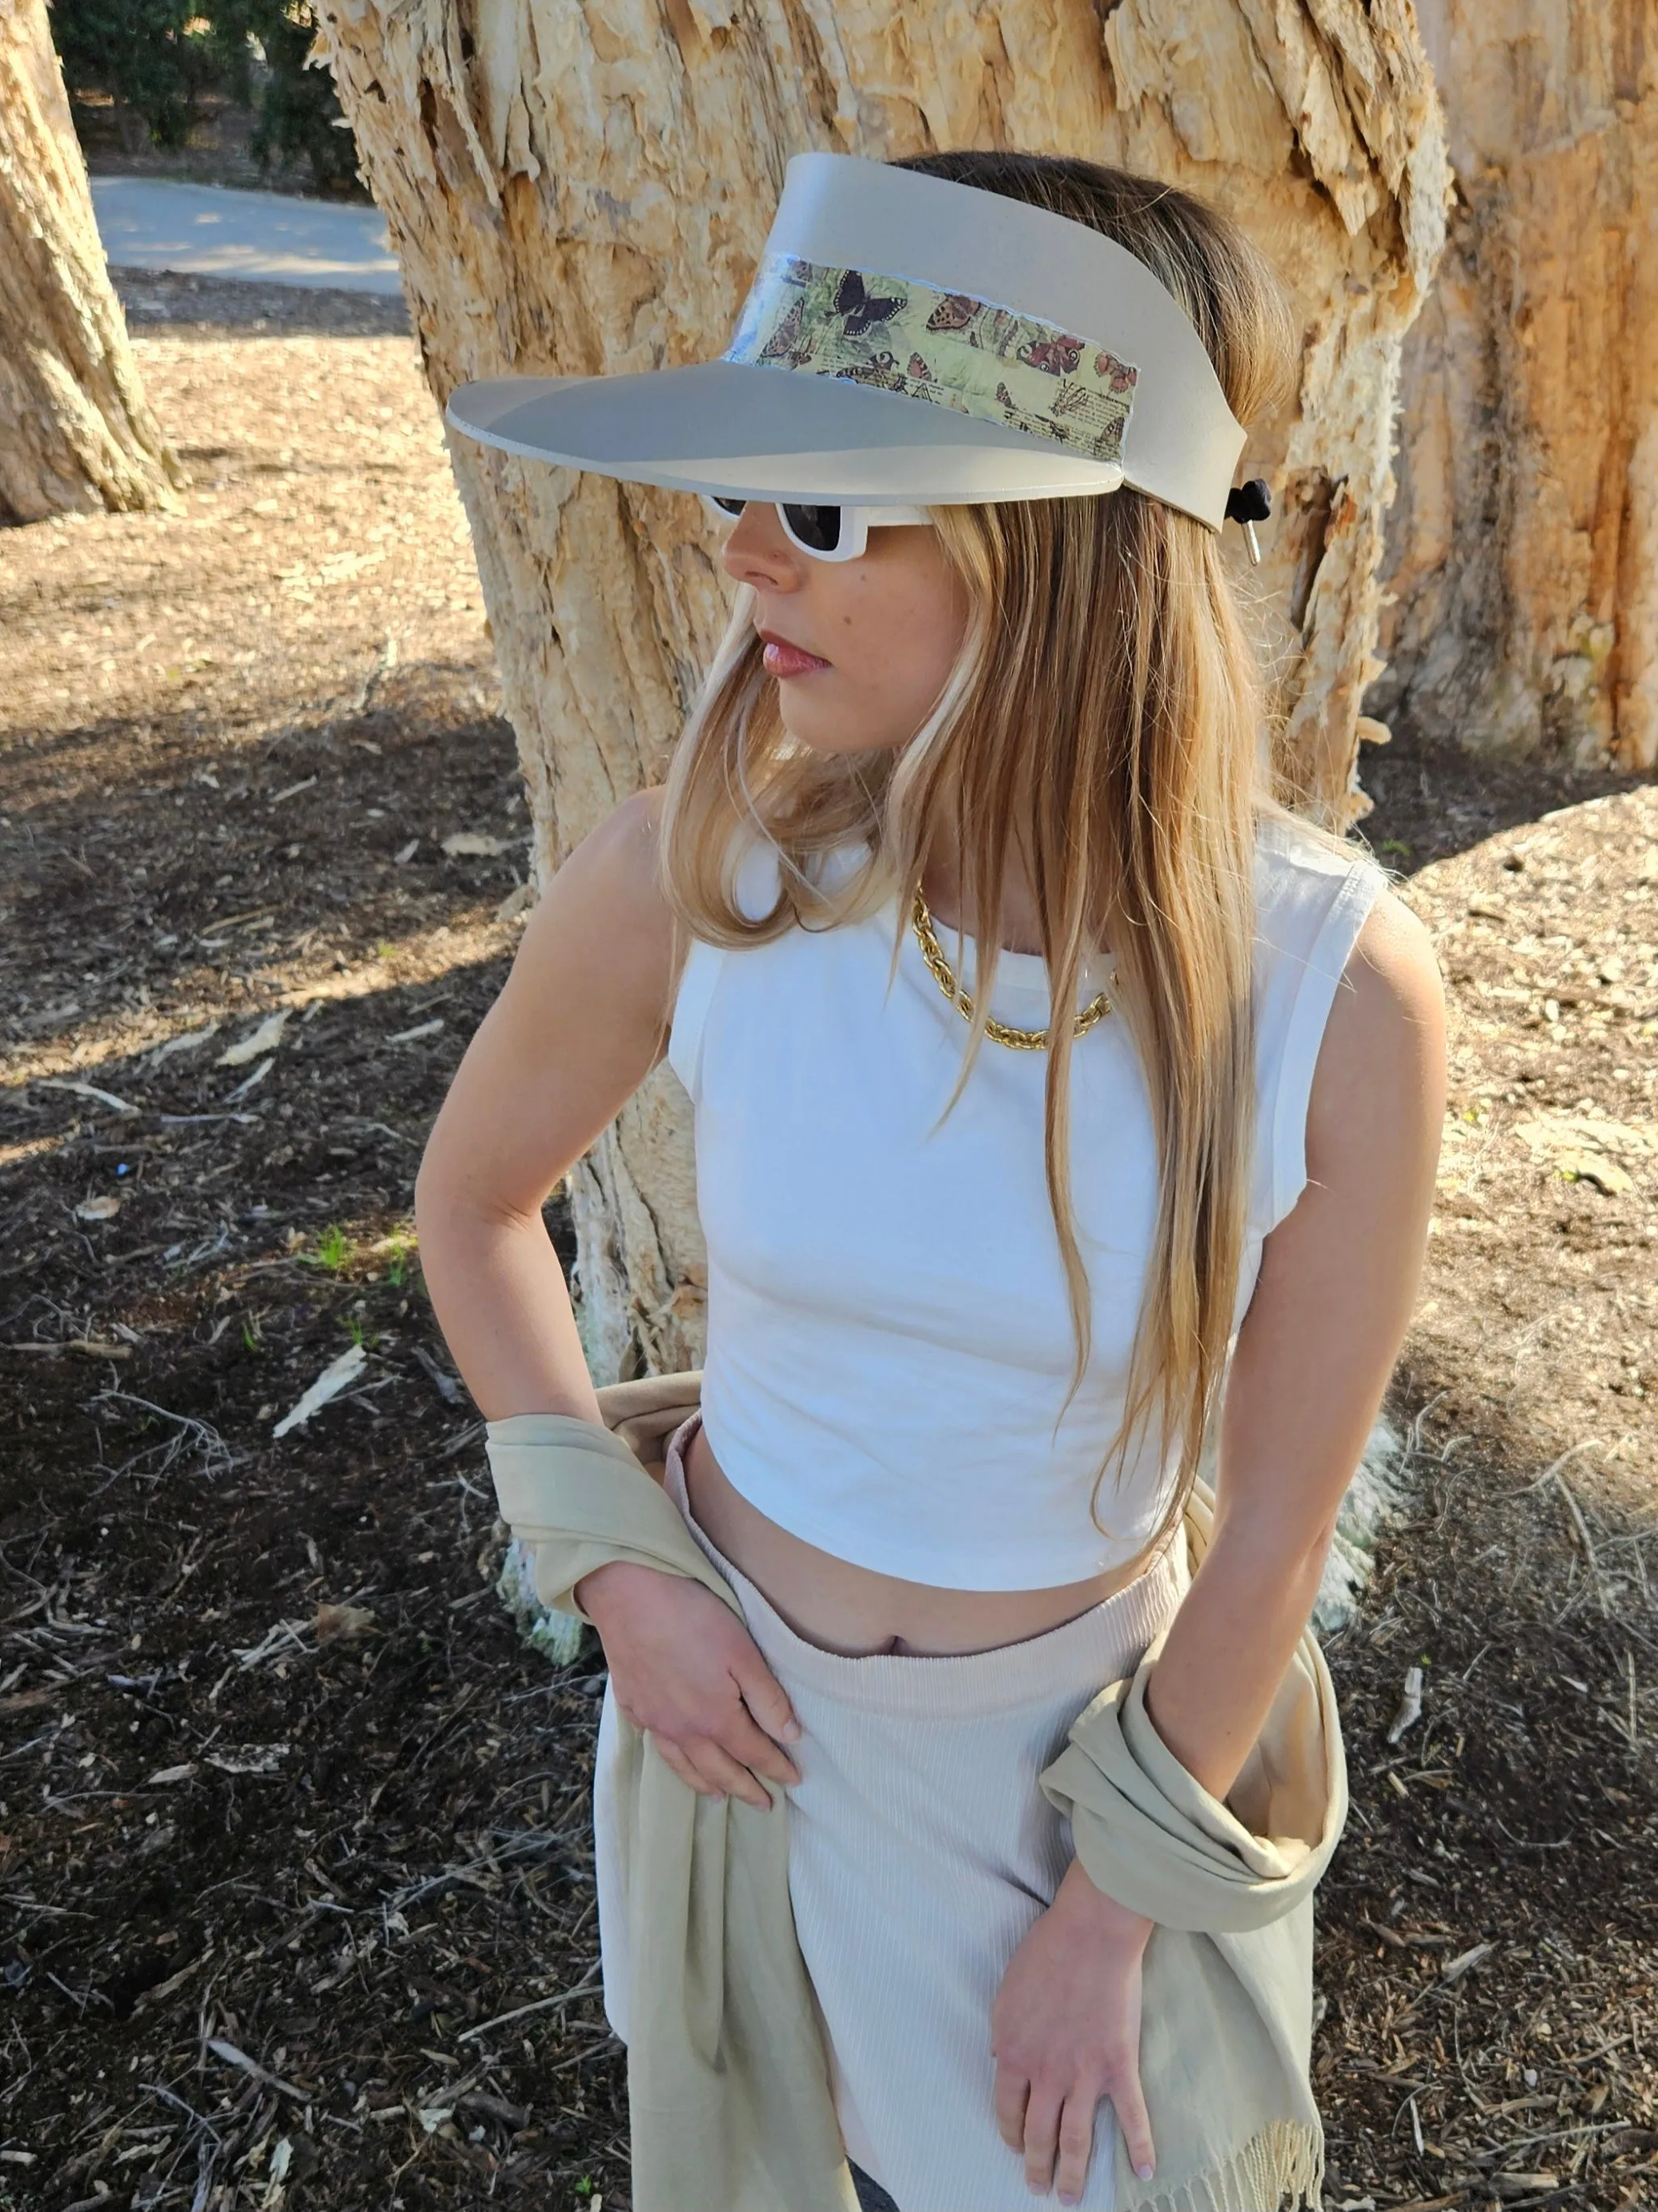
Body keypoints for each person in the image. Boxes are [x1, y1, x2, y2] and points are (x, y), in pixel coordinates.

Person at [416, 149, 1446, 2211]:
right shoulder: (701, 886)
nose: (738, 564)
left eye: (814, 508)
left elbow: (1268, 1543)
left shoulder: (1324, 991)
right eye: (736, 499)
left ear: (1049, 558)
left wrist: (1113, 1907)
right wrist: (617, 1575)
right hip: (737, 1733)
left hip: (1083, 1789)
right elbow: (472, 1207)